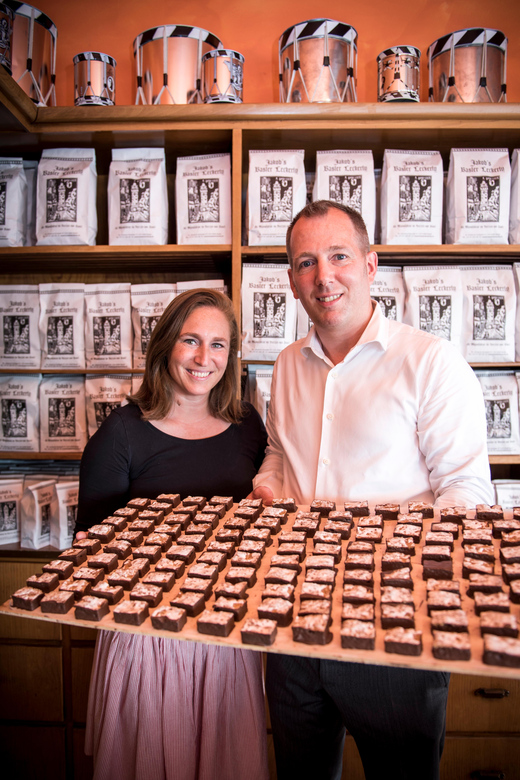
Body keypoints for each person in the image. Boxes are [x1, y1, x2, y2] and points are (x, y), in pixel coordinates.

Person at [251, 200, 495, 780]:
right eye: (306, 262)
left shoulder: (430, 363)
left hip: (395, 631)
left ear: (370, 263)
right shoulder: (286, 365)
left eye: (338, 256)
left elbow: (465, 490)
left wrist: (409, 581)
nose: (323, 276)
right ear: (290, 280)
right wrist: (267, 486)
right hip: (292, 624)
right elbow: (281, 452)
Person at [75, 288, 269, 780]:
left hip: (227, 636)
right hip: (147, 639)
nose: (205, 358)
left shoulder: (247, 427)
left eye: (219, 345)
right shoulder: (122, 433)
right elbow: (88, 552)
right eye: (191, 340)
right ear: (165, 345)